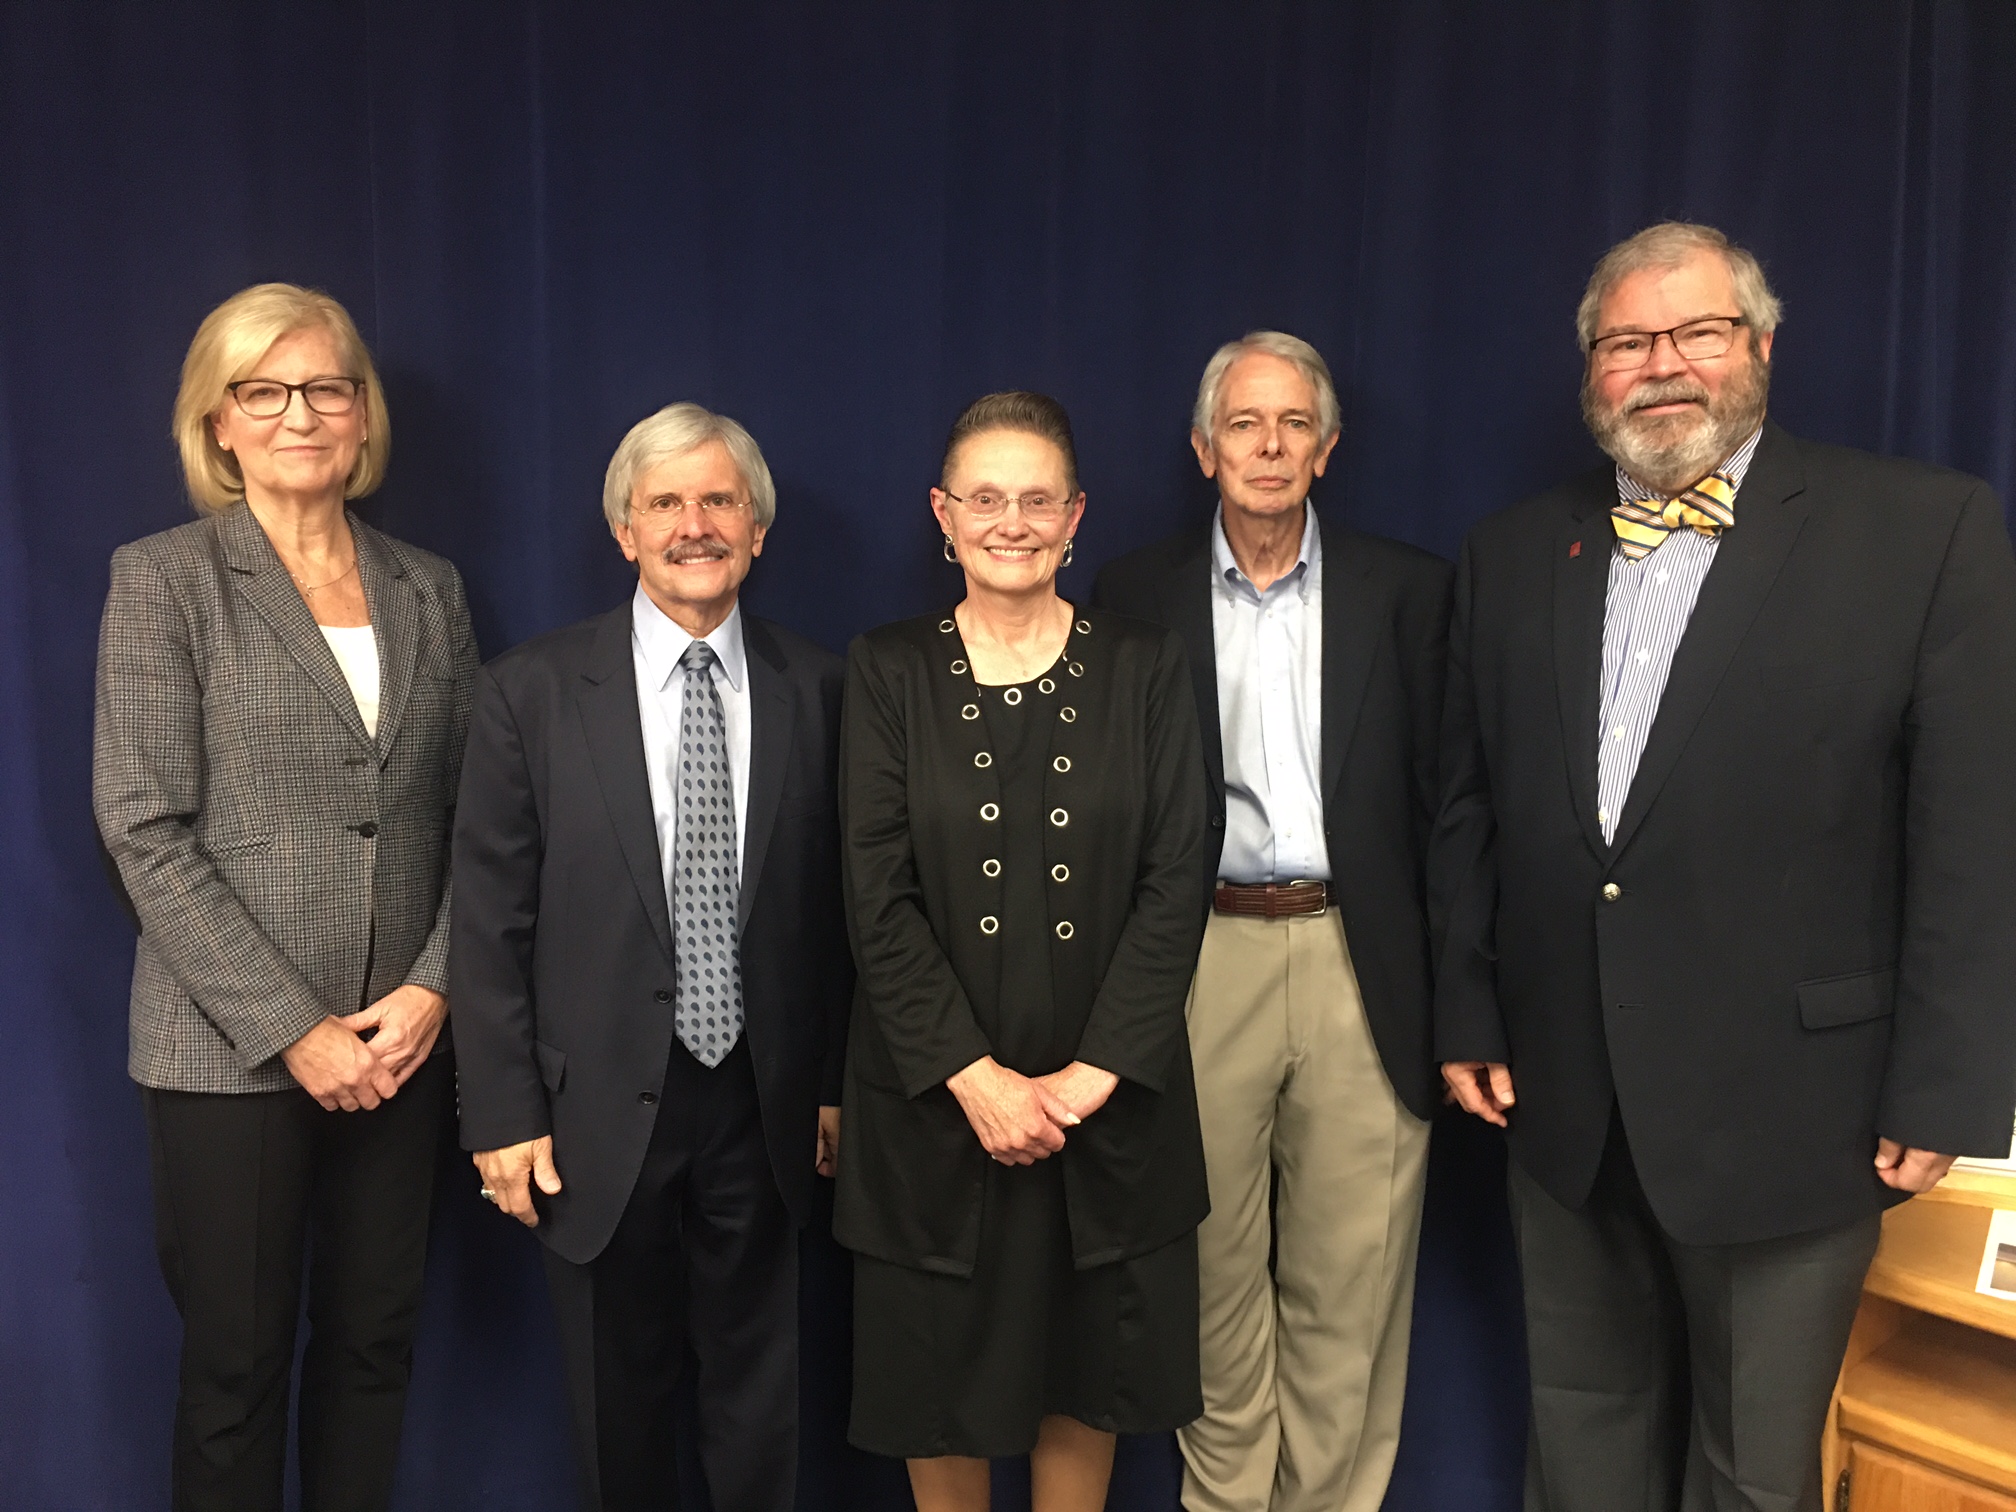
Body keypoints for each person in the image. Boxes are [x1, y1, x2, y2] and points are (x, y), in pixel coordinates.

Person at [1432, 221, 2016, 1512]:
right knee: (1580, 1454)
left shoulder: (1924, 532)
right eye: (1628, 341)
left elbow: (1973, 837)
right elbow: (1471, 805)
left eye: (1696, 332)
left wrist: (1948, 1085)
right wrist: (1467, 1007)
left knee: (1754, 1476)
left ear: (1758, 345)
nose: (1664, 366)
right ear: (1591, 372)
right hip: (1565, 1110)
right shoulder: (1514, 552)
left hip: (1796, 1119)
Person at [92, 283, 477, 1511]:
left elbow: (485, 820)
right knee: (238, 1372)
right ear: (219, 425)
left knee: (375, 1356)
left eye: (327, 387)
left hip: (402, 1050)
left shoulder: (432, 588)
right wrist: (298, 1031)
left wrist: (432, 988)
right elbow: (142, 830)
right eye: (265, 391)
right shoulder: (167, 582)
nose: (300, 413)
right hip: (231, 1057)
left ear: (362, 416)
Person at [451, 403, 849, 1512]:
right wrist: (500, 1111)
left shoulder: (822, 689)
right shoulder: (528, 693)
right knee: (616, 1416)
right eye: (665, 503)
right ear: (624, 531)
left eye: (720, 500)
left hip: (765, 1107)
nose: (695, 525)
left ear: (758, 530)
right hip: (586, 1113)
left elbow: (843, 914)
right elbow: (488, 922)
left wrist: (832, 1085)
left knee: (759, 1407)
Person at [1094, 333, 1451, 1512]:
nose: (1269, 445)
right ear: (1205, 450)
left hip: (1364, 959)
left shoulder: (1408, 591)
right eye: (1244, 424)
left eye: (1294, 423)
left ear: (1328, 449)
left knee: (1353, 1280)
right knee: (1208, 1273)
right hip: (1200, 957)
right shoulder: (1131, 597)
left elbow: (1452, 802)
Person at [835, 391, 1209, 1512]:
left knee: (1081, 1377)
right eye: (985, 498)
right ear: (942, 516)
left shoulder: (1146, 666)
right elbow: (874, 893)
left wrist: (1085, 1085)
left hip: (1109, 1113)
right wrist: (978, 1080)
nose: (1012, 521)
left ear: (1076, 515)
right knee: (939, 1381)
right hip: (933, 1113)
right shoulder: (887, 668)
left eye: (1036, 498)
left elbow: (1176, 878)